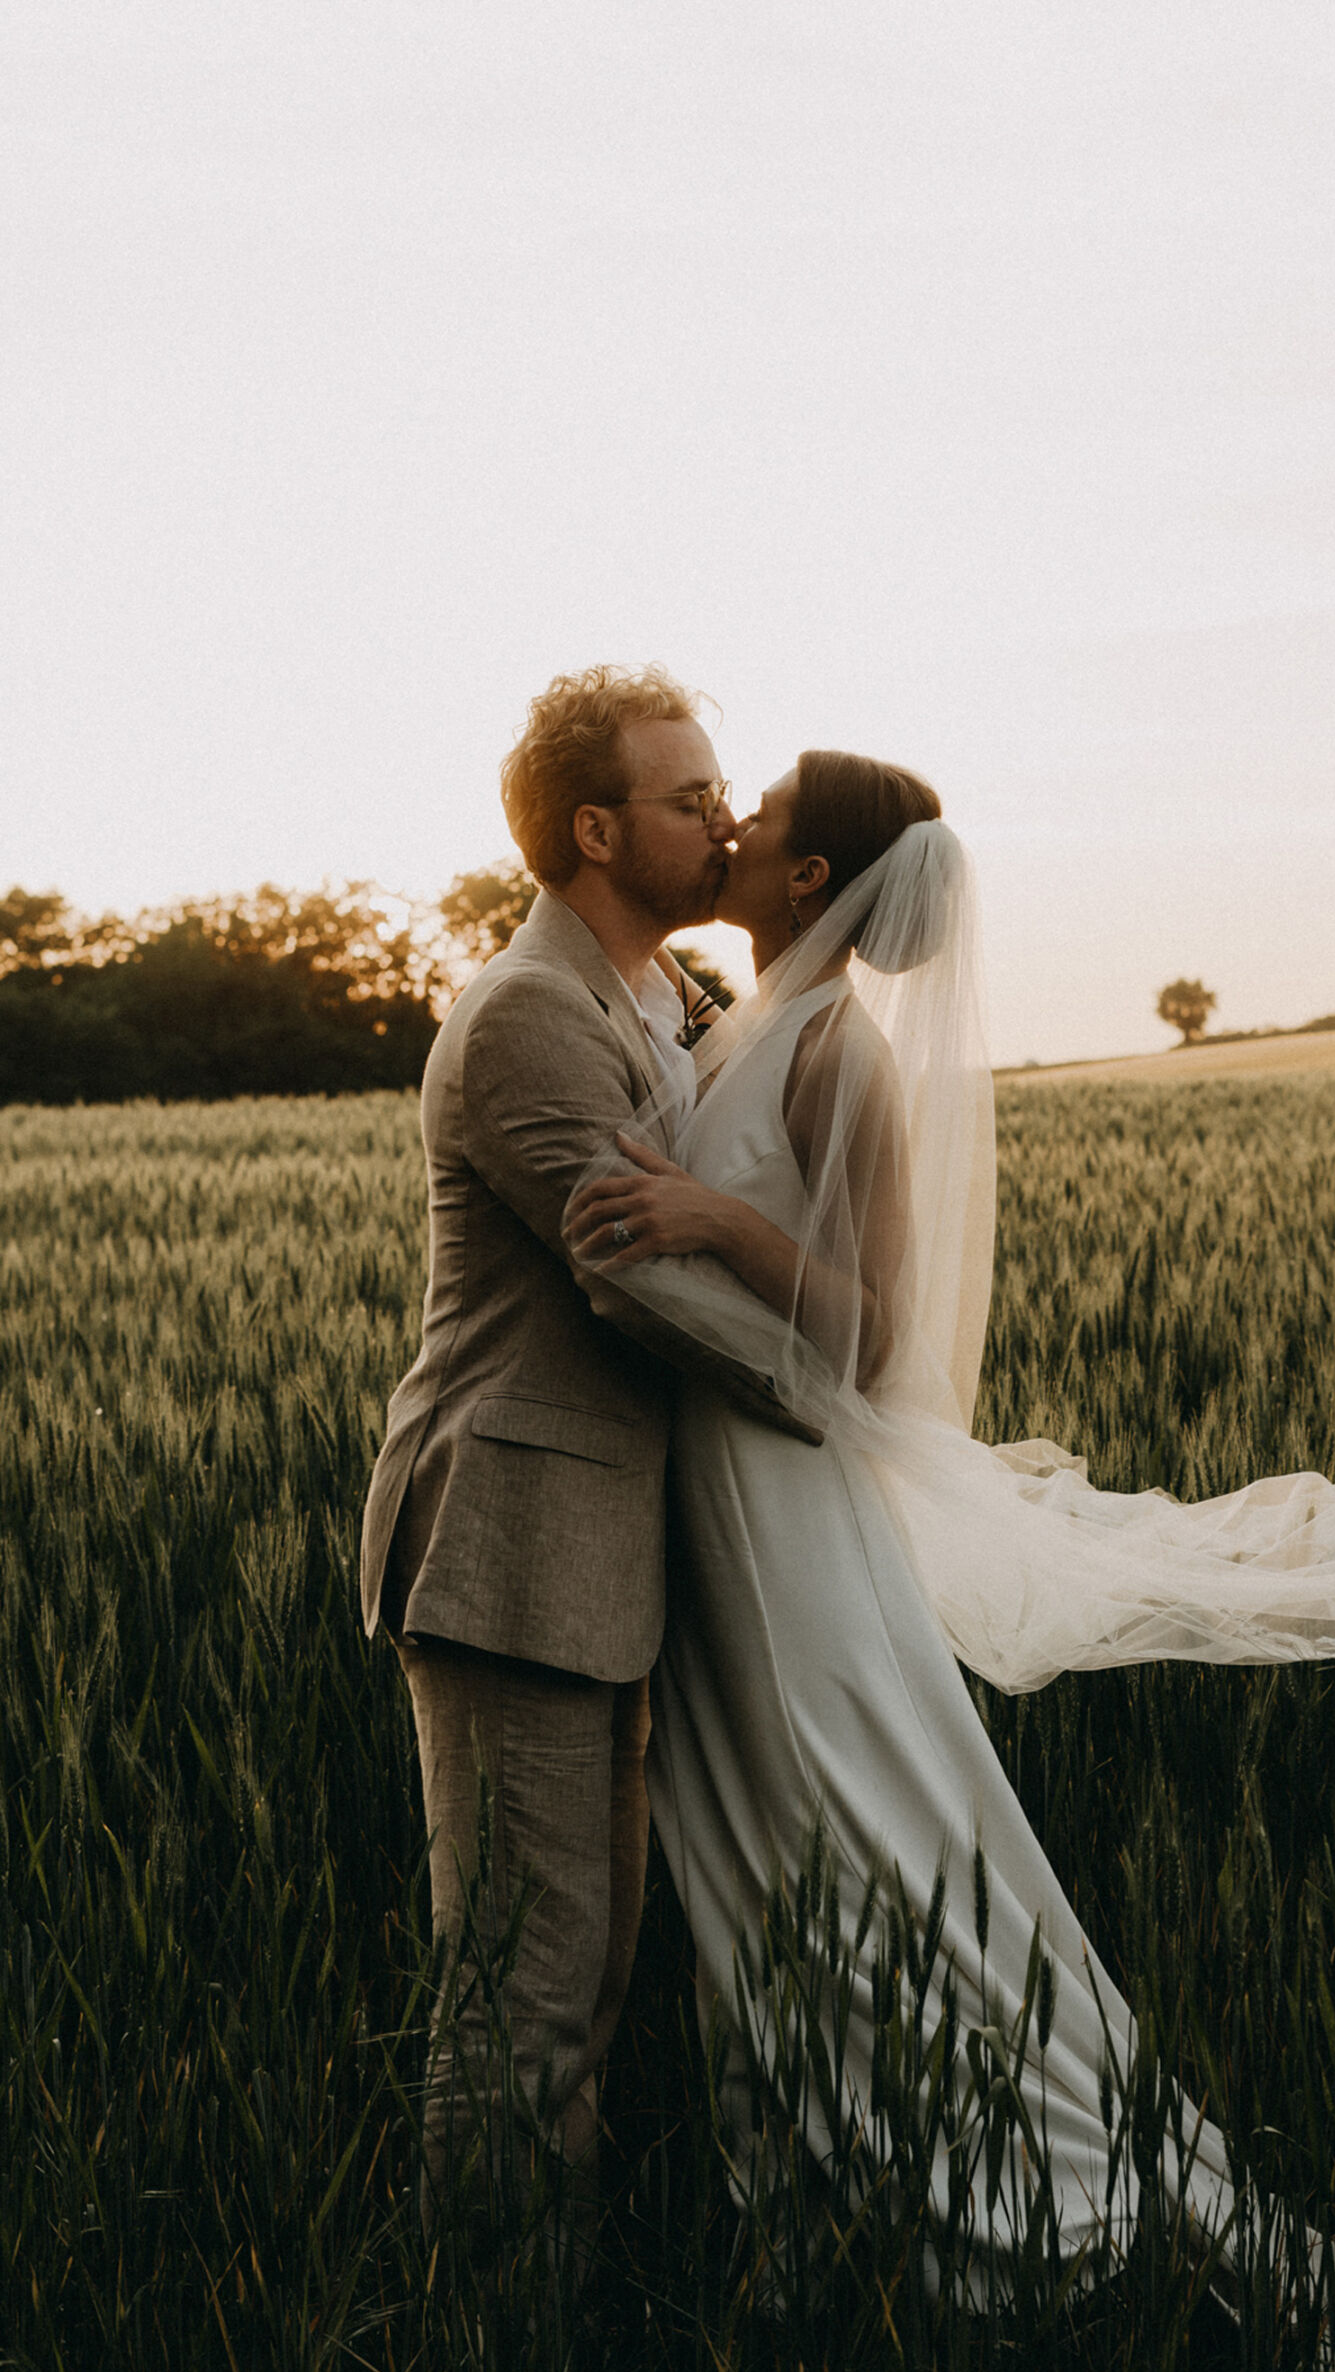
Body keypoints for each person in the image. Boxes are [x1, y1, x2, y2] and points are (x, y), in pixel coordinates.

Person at [564, 751, 1335, 2323]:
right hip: (717, 1496)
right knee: (761, 1850)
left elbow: (880, 1347)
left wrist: (714, 1222)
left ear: (811, 880)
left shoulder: (837, 1056)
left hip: (785, 1511)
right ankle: (816, 2187)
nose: (730, 824)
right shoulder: (735, 1019)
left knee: (856, 1833)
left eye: (765, 815)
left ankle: (1025, 2179)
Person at [361, 662, 801, 2263]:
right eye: (692, 799)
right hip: (512, 1542)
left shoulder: (658, 1002)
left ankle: (550, 2344)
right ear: (599, 830)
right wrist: (845, 1386)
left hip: (596, 1552)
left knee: (587, 1978)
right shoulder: (532, 1015)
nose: (727, 818)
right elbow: (634, 1272)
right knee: (523, 1997)